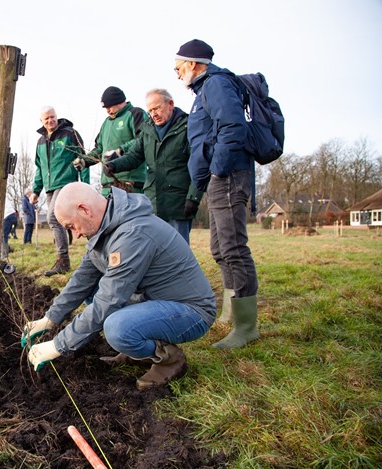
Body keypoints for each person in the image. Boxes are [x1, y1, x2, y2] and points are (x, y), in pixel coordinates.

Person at [21, 182, 216, 389]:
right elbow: (82, 279)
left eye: (71, 226)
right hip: (155, 300)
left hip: (190, 311)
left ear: (84, 210)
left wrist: (57, 345)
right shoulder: (105, 230)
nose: (75, 234)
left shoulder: (132, 233)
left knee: (117, 327)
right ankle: (137, 349)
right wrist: (50, 319)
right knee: (93, 292)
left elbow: (109, 301)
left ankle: (170, 359)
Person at [174, 39, 259, 349]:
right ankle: (229, 312)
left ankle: (246, 326)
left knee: (234, 248)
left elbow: (233, 127)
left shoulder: (217, 84)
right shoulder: (204, 90)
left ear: (194, 63)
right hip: (218, 178)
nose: (177, 72)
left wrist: (218, 169)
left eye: (178, 66)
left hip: (228, 176)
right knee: (221, 249)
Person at [104, 88, 203, 244]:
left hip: (178, 202)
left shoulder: (188, 128)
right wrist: (114, 165)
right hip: (153, 202)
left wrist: (194, 198)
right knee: (155, 250)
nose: (153, 114)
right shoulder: (147, 129)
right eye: (150, 110)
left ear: (170, 104)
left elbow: (199, 165)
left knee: (178, 249)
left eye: (157, 108)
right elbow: (135, 155)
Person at [31, 106, 89, 276]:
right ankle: (86, 253)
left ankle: (63, 260)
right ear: (41, 121)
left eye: (53, 117)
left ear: (57, 117)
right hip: (50, 187)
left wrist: (85, 185)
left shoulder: (70, 134)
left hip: (66, 183)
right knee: (68, 221)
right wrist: (36, 190)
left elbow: (83, 159)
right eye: (46, 118)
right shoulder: (41, 142)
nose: (50, 121)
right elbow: (39, 168)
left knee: (52, 217)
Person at [73, 86, 148, 196]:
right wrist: (85, 160)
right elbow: (99, 149)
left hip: (130, 184)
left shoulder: (135, 114)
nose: (108, 110)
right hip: (107, 186)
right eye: (105, 108)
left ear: (119, 101)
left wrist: (120, 151)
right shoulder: (106, 123)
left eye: (110, 106)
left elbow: (142, 140)